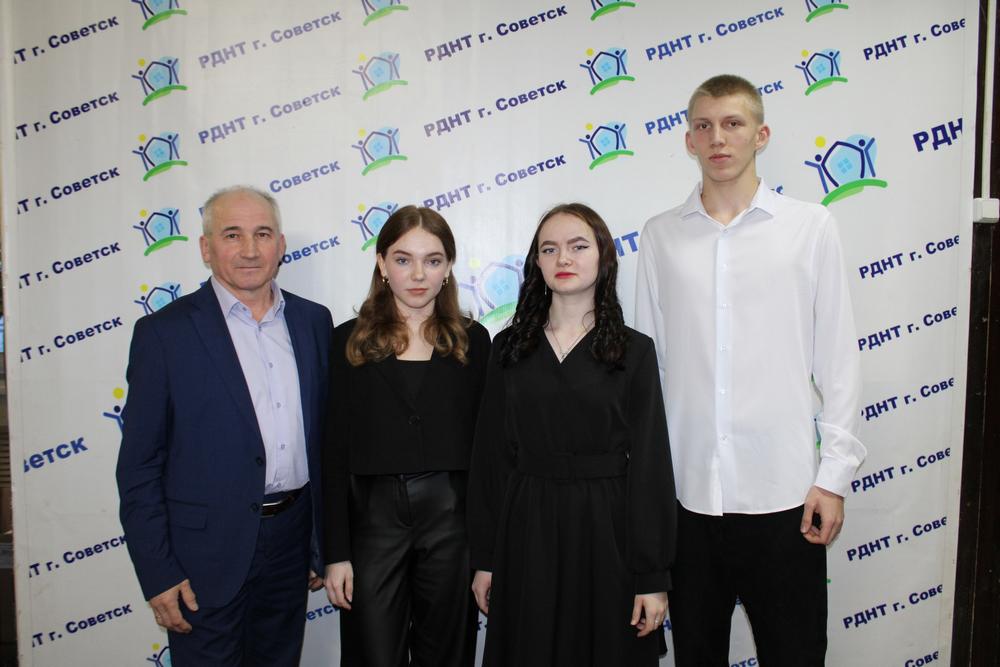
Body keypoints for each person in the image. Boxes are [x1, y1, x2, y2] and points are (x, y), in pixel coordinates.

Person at [634, 74, 866, 666]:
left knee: (796, 654)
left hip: (786, 498)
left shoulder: (810, 227)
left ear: (760, 135)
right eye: (704, 126)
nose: (718, 138)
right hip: (689, 502)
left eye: (733, 123)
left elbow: (837, 360)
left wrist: (834, 477)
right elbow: (648, 371)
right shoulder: (660, 237)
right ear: (688, 140)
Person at [116, 186, 333, 665]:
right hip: (202, 558)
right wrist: (158, 571)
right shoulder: (164, 333)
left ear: (281, 245)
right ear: (205, 247)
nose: (250, 249)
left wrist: (321, 542)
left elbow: (324, 442)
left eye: (263, 234)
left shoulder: (314, 322)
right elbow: (139, 467)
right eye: (232, 235)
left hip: (292, 543)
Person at [467, 203, 676, 666]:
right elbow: (490, 461)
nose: (563, 258)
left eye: (578, 247)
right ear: (536, 263)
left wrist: (652, 575)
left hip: (609, 533)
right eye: (550, 249)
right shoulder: (508, 348)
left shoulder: (634, 351)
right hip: (527, 530)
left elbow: (650, 468)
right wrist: (485, 557)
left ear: (603, 257)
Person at [323, 205, 488, 666]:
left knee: (448, 654)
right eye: (403, 259)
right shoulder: (346, 341)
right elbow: (332, 450)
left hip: (453, 522)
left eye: (432, 260)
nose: (418, 274)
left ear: (448, 267)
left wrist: (487, 553)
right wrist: (335, 552)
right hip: (372, 524)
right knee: (373, 654)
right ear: (381, 264)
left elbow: (488, 454)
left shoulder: (474, 341)